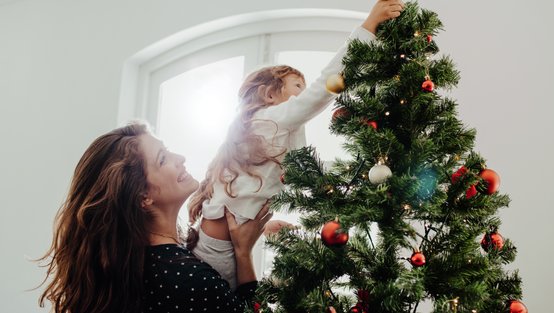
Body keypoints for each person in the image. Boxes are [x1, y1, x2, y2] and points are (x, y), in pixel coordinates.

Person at [187, 0, 405, 290]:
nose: (302, 95)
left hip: (219, 252)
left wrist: (370, 170)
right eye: (296, 87)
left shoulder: (271, 140)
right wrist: (366, 30)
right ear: (268, 95)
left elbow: (309, 169)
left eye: (302, 88)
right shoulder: (267, 120)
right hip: (213, 255)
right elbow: (321, 91)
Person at [38, 123, 270, 313]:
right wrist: (244, 254)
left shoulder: (137, 265)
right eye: (162, 159)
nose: (180, 157)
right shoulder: (188, 281)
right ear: (143, 195)